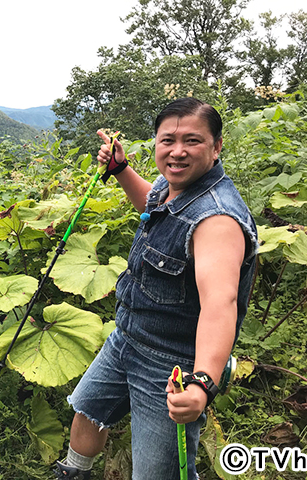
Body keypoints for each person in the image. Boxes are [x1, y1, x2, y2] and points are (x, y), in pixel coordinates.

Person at [54, 98, 258, 479]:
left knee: (157, 473)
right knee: (88, 412)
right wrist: (120, 170)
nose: (177, 151)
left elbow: (220, 302)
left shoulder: (217, 220)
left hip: (171, 365)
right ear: (156, 144)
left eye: (192, 141)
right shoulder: (173, 185)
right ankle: (74, 472)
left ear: (216, 147)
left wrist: (202, 382)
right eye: (168, 140)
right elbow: (153, 206)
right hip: (127, 337)